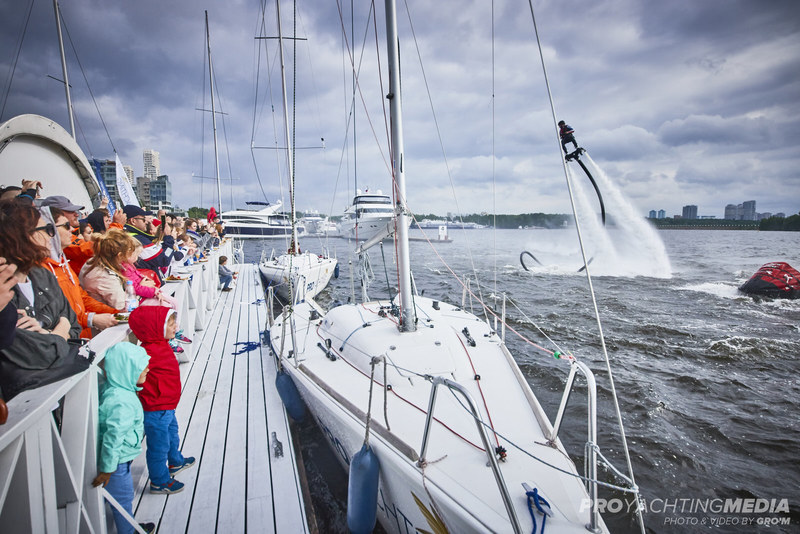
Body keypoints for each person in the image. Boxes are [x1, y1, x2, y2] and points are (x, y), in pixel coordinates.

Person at [0, 199, 81, 379]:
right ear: (22, 236)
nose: (51, 236)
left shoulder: (42, 275)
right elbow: (39, 354)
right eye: (47, 230)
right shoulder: (3, 289)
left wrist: (49, 336)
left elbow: (74, 326)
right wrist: (60, 331)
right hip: (23, 398)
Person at [128, 306, 194, 494]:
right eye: (171, 324)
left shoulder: (162, 343)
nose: (176, 327)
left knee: (173, 434)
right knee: (158, 446)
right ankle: (159, 480)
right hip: (156, 408)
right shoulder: (146, 353)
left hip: (167, 405)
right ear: (154, 329)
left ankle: (175, 461)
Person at [92, 342, 155, 534]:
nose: (147, 368)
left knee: (117, 497)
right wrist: (108, 468)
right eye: (140, 366)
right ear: (125, 370)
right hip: (116, 464)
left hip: (120, 459)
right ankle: (128, 530)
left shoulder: (119, 391)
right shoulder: (121, 402)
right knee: (123, 499)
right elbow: (113, 438)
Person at [40, 206, 118, 338]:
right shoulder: (41, 270)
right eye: (66, 225)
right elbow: (56, 314)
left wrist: (117, 312)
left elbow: (82, 298)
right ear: (49, 230)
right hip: (65, 343)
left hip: (81, 337)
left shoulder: (62, 265)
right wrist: (91, 319)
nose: (72, 229)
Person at [80, 229, 139, 310]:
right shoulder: (104, 277)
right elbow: (122, 306)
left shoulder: (93, 261)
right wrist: (138, 298)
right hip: (108, 315)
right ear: (120, 255)